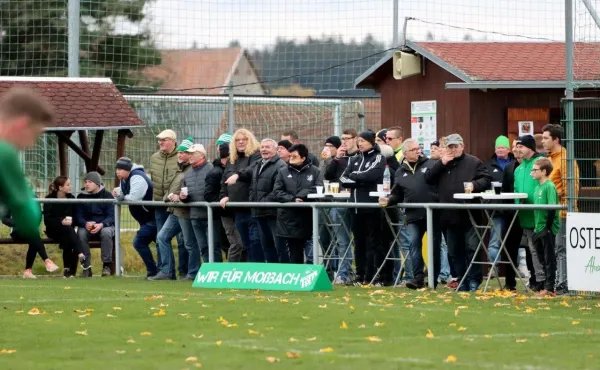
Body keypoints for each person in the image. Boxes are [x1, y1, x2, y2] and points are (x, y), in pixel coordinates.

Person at [424, 133, 491, 291]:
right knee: (454, 252)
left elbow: (486, 179)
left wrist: (474, 185)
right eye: (450, 147)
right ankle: (461, 280)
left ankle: (474, 280)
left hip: (469, 214)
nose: (453, 150)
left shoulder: (474, 162)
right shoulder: (442, 163)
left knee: (472, 248)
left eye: (455, 146)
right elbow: (428, 179)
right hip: (448, 215)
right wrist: (441, 163)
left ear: (462, 146)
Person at [380, 138, 441, 290]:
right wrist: (388, 200)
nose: (418, 151)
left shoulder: (431, 165)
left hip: (433, 213)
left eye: (418, 148)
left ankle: (434, 277)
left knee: (434, 246)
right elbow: (397, 193)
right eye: (414, 149)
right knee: (414, 245)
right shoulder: (401, 171)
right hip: (413, 215)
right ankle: (418, 278)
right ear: (405, 153)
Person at [0, 86, 53, 240]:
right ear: (23, 124)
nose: (32, 145)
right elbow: (29, 222)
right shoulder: (4, 152)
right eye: (35, 134)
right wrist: (24, 187)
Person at [340, 130, 388, 286]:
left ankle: (374, 276)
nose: (360, 144)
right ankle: (360, 275)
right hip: (355, 207)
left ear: (371, 142)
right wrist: (357, 179)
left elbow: (371, 175)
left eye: (363, 141)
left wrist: (354, 177)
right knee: (359, 243)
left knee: (373, 243)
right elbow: (343, 179)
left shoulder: (378, 157)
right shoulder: (354, 159)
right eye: (359, 141)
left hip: (372, 207)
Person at [541, 124, 580, 295]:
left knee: (562, 250)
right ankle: (559, 283)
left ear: (556, 140)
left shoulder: (565, 159)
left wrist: (550, 194)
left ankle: (564, 285)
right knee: (556, 250)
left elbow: (571, 187)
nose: (542, 141)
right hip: (551, 213)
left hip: (563, 213)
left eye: (545, 138)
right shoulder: (549, 159)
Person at [151, 138, 196, 281]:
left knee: (188, 243)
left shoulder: (192, 171)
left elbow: (195, 190)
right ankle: (167, 272)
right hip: (175, 210)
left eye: (184, 153)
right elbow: (171, 188)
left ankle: (191, 272)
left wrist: (180, 197)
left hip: (186, 211)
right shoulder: (179, 169)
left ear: (191, 155)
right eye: (179, 153)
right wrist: (168, 197)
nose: (180, 155)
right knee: (162, 237)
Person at [272, 144, 322, 263]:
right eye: (290, 156)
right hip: (289, 217)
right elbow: (277, 191)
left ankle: (312, 274)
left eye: (294, 156)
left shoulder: (315, 171)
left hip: (308, 216)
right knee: (294, 249)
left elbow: (319, 187)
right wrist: (292, 199)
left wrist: (301, 195)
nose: (291, 158)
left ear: (303, 158)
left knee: (311, 249)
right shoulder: (283, 172)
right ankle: (297, 275)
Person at [219, 128, 263, 262]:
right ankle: (248, 273)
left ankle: (257, 271)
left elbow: (252, 169)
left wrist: (238, 174)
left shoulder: (256, 155)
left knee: (256, 243)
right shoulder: (233, 159)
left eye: (244, 139)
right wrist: (224, 195)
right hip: (238, 209)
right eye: (238, 140)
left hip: (252, 208)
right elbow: (224, 180)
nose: (241, 142)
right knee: (245, 243)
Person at [322, 128, 359, 284]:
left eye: (348, 138)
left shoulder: (361, 157)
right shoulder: (340, 158)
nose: (344, 141)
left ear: (356, 139)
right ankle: (344, 274)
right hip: (340, 202)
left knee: (360, 240)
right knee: (342, 240)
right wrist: (335, 158)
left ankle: (361, 273)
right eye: (343, 138)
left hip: (358, 202)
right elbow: (328, 176)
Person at [113, 157, 158, 279]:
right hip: (145, 220)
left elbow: (133, 198)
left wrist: (121, 197)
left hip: (152, 219)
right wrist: (119, 194)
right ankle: (161, 271)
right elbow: (123, 195)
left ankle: (155, 270)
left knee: (139, 242)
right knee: (160, 243)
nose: (117, 172)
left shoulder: (137, 177)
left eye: (120, 169)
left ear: (127, 169)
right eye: (117, 168)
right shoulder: (124, 179)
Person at [180, 144, 220, 276]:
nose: (190, 156)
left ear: (202, 155)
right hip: (194, 215)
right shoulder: (188, 173)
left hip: (211, 215)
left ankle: (217, 273)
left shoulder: (212, 169)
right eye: (189, 154)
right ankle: (209, 273)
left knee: (213, 246)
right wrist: (183, 197)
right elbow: (186, 195)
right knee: (203, 247)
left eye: (193, 153)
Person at [513, 135, 546, 291]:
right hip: (524, 216)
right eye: (517, 146)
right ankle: (536, 279)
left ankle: (544, 280)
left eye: (521, 146)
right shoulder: (519, 169)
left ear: (530, 148)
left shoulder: (539, 164)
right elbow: (516, 190)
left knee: (540, 250)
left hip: (539, 216)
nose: (517, 149)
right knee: (531, 251)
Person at [250, 139, 288, 263]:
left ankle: (284, 272)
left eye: (267, 147)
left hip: (274, 212)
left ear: (275, 150)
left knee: (279, 245)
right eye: (262, 147)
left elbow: (278, 189)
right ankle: (273, 273)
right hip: (259, 212)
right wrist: (253, 200)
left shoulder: (280, 165)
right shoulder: (257, 164)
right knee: (266, 245)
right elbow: (253, 186)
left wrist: (264, 202)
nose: (264, 149)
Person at [44, 176, 92, 278]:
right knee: (69, 233)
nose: (71, 186)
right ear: (60, 187)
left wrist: (70, 222)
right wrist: (61, 221)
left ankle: (67, 270)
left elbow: (76, 217)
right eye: (68, 185)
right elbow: (47, 220)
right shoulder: (49, 199)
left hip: (68, 230)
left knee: (68, 234)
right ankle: (80, 254)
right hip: (54, 230)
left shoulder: (71, 199)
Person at [205, 142, 243, 261]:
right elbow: (210, 195)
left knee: (237, 244)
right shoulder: (216, 172)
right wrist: (223, 202)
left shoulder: (232, 168)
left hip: (235, 212)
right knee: (235, 243)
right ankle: (230, 271)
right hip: (226, 213)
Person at [484, 135, 515, 274]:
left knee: (516, 241)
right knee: (494, 240)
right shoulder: (488, 166)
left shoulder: (516, 164)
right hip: (496, 209)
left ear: (509, 149)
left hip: (513, 208)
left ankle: (516, 268)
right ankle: (493, 267)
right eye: (497, 148)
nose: (500, 150)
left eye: (502, 147)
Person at [75, 171, 115, 277]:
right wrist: (85, 223)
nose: (86, 184)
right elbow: (78, 216)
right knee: (81, 233)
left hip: (104, 226)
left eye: (90, 182)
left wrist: (101, 224)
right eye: (85, 182)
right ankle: (86, 267)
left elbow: (112, 216)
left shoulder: (107, 195)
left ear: (97, 184)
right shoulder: (81, 197)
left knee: (106, 233)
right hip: (87, 227)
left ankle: (106, 266)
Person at [531, 157, 560, 297]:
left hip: (546, 228)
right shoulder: (537, 187)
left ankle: (549, 288)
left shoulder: (549, 186)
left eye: (535, 170)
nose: (532, 172)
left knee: (549, 259)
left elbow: (552, 208)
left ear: (544, 171)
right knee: (541, 259)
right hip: (537, 227)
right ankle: (545, 286)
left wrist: (548, 228)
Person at [2, 208, 59, 279]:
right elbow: (4, 219)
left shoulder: (34, 197)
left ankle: (28, 271)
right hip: (18, 231)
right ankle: (46, 260)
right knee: (34, 236)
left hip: (32, 230)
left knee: (33, 236)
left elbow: (38, 215)